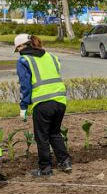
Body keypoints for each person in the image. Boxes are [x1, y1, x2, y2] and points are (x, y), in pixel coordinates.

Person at [15, 33, 71, 177]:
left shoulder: (24, 60)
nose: (18, 52)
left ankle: (45, 169)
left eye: (17, 49)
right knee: (55, 132)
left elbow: (25, 86)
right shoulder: (51, 56)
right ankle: (65, 162)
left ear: (23, 46)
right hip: (60, 100)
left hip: (42, 103)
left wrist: (23, 106)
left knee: (42, 137)